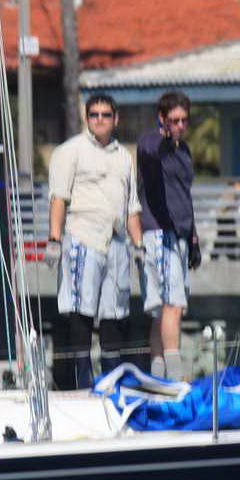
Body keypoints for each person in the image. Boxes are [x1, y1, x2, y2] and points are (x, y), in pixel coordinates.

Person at [45, 94, 143, 389]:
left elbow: (132, 207)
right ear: (86, 118)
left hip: (117, 242)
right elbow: (59, 198)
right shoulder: (70, 151)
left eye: (105, 115)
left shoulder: (124, 157)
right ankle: (82, 380)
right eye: (94, 115)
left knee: (115, 312)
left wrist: (139, 245)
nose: (99, 120)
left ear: (116, 118)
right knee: (81, 310)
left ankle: (112, 380)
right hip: (83, 237)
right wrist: (54, 238)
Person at [136, 90, 200, 381]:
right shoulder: (150, 142)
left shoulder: (183, 150)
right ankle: (173, 377)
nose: (180, 126)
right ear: (162, 119)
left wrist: (194, 238)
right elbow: (150, 152)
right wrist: (163, 137)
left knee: (169, 309)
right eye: (174, 120)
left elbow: (185, 196)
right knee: (170, 304)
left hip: (182, 235)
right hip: (159, 233)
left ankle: (158, 375)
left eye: (184, 120)